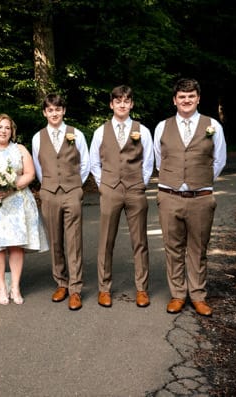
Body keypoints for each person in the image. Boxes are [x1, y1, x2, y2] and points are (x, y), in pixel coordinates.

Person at [154, 77, 227, 316]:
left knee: (198, 248)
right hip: (169, 195)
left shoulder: (212, 125)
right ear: (175, 100)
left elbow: (219, 160)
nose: (187, 100)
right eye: (182, 97)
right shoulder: (162, 127)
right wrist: (173, 181)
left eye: (191, 97)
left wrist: (201, 181)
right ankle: (177, 294)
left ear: (198, 99)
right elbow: (158, 159)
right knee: (172, 247)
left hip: (201, 197)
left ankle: (198, 295)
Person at [90, 85, 158, 308]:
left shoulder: (143, 131)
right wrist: (104, 186)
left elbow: (148, 161)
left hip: (135, 189)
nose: (122, 104)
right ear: (111, 104)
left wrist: (140, 183)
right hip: (110, 189)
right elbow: (93, 163)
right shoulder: (101, 131)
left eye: (126, 101)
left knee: (139, 241)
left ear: (131, 104)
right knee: (106, 240)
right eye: (118, 101)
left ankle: (142, 289)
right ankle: (104, 288)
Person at [0, 114, 48, 305]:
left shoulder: (19, 149)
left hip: (17, 204)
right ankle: (1, 288)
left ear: (12, 132)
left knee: (15, 244)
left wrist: (10, 188)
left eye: (7, 128)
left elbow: (30, 173)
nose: (3, 131)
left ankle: (15, 286)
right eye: (0, 127)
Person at [30, 94, 93, 310]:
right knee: (55, 240)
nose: (54, 113)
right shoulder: (37, 138)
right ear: (44, 113)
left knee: (74, 241)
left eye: (58, 109)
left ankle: (75, 289)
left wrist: (76, 185)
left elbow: (85, 163)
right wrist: (48, 186)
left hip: (72, 191)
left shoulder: (77, 134)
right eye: (50, 110)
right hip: (49, 192)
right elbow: (39, 168)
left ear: (63, 111)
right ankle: (61, 282)